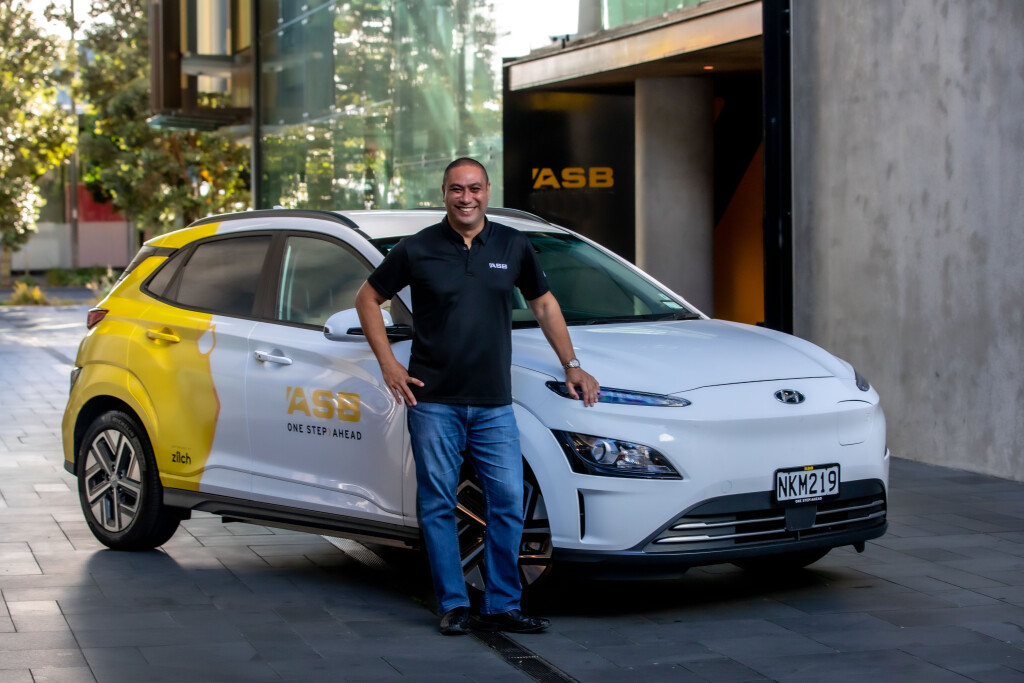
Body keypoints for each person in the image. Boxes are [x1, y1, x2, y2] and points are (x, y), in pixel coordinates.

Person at [355, 158, 599, 635]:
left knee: (507, 500)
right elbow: (367, 298)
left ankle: (502, 603)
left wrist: (572, 363)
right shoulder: (418, 247)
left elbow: (544, 304)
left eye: (474, 189)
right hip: (433, 401)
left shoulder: (512, 244)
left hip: (493, 404)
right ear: (444, 193)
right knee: (438, 504)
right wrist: (388, 364)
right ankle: (453, 603)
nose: (465, 198)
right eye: (456, 189)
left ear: (487, 190)